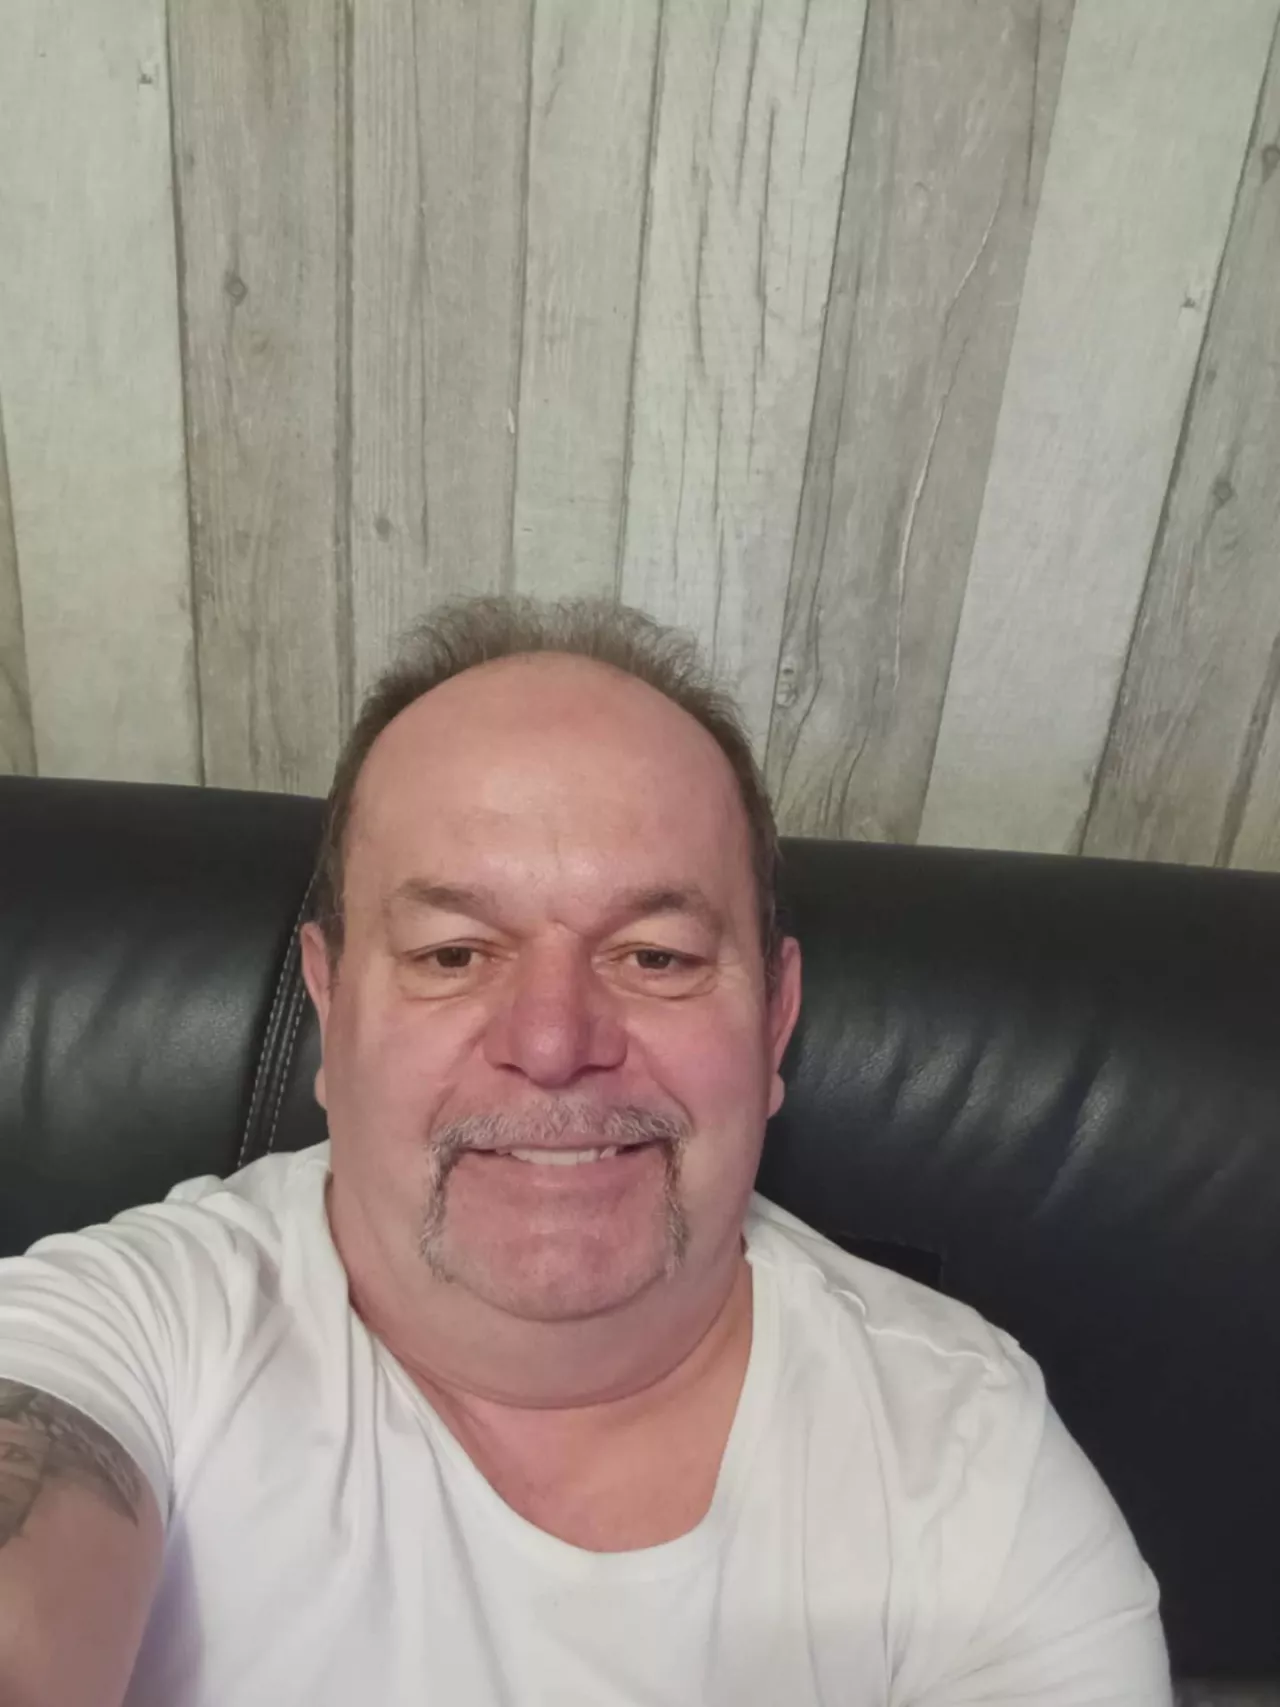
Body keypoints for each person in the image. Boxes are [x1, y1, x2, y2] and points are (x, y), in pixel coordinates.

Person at [0, 597, 1170, 1706]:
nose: (554, 1044)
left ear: (772, 1023)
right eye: (453, 954)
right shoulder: (132, 1331)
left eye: (655, 956)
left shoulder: (972, 1479)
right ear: (329, 1003)